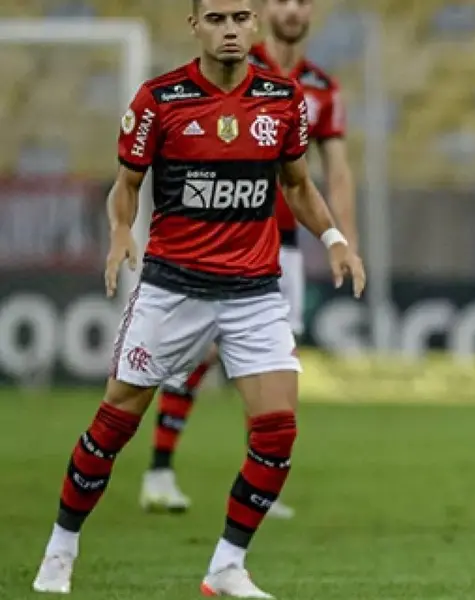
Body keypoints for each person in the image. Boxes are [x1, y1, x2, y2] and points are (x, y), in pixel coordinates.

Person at [31, 0, 365, 596]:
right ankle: (61, 549)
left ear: (254, 25)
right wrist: (117, 234)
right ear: (195, 26)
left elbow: (298, 185)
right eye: (216, 18)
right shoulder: (159, 100)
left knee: (277, 432)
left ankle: (226, 567)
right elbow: (126, 186)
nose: (230, 29)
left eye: (240, 17)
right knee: (112, 425)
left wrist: (335, 238)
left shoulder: (282, 100)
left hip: (255, 294)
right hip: (171, 290)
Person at [140, 0, 356, 522]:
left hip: (280, 241)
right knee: (198, 353)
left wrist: (342, 239)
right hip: (221, 237)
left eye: (303, 2)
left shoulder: (321, 88)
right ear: (263, 12)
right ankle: (159, 469)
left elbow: (336, 172)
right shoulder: (235, 65)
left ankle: (258, 483)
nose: (294, 10)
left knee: (271, 360)